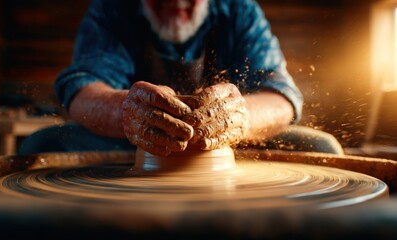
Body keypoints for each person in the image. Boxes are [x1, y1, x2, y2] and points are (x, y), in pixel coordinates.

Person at [18, 0, 344, 156]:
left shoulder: (239, 10)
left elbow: (281, 96)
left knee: (321, 147)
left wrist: (239, 116)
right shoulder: (113, 9)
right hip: (129, 145)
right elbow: (82, 87)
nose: (175, 3)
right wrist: (127, 112)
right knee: (39, 146)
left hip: (230, 147)